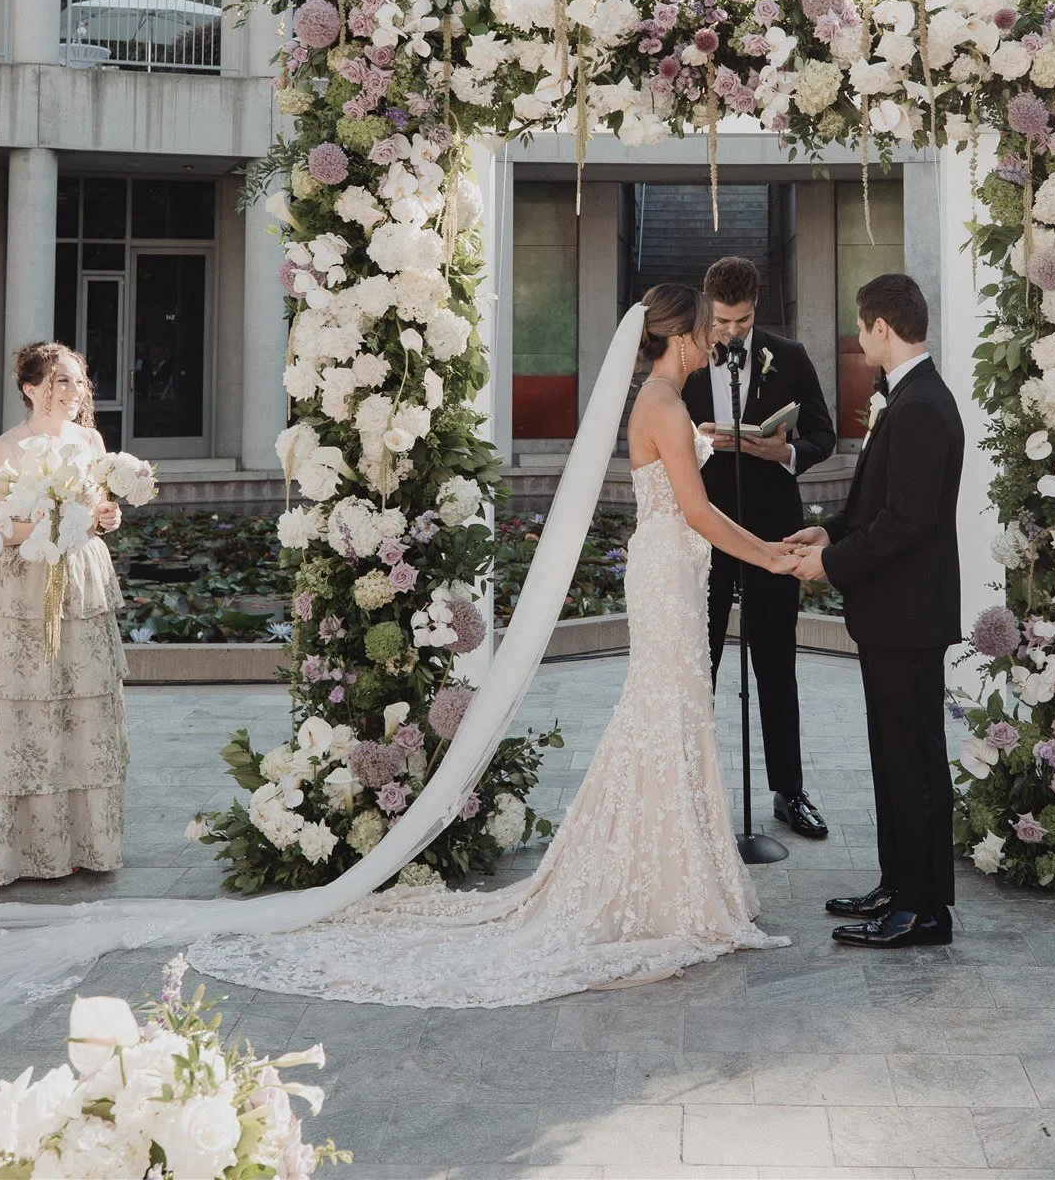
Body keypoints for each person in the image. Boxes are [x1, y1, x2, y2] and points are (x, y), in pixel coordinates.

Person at [180, 285, 796, 1008]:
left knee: (675, 706)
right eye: (702, 331)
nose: (709, 342)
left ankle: (680, 875)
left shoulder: (662, 401)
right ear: (683, 336)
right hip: (671, 563)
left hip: (675, 563)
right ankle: (662, 882)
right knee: (666, 705)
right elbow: (695, 508)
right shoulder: (664, 403)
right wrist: (772, 556)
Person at [787, 274, 963, 948]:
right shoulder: (910, 397)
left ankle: (924, 910)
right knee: (892, 759)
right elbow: (878, 506)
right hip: (894, 613)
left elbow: (907, 523)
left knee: (914, 763)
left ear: (881, 328)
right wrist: (828, 532)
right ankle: (897, 886)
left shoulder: (919, 405)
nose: (858, 342)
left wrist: (830, 566)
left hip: (909, 614)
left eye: (861, 329)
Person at [683, 256, 836, 841]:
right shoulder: (688, 359)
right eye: (721, 321)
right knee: (704, 664)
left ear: (757, 310)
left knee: (777, 664)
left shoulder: (789, 356)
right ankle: (693, 789)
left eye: (742, 322)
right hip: (709, 532)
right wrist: (696, 441)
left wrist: (787, 453)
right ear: (706, 308)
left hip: (774, 532)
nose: (729, 333)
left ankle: (788, 791)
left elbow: (823, 432)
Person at [0, 342, 127, 886]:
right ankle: (26, 849)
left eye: (78, 381)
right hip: (23, 588)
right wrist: (43, 527)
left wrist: (106, 515)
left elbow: (104, 509)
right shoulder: (4, 449)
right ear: (31, 388)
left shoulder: (90, 441)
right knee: (30, 706)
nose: (73, 390)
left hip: (82, 581)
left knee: (81, 707)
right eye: (61, 380)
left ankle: (83, 842)